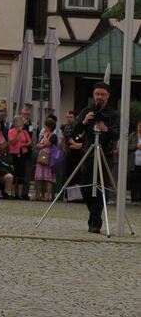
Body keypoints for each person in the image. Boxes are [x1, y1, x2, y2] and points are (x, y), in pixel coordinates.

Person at [72, 82, 120, 233]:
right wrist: (84, 121)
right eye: (97, 94)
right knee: (85, 186)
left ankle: (95, 223)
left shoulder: (114, 114)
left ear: (108, 96)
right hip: (89, 153)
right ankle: (94, 213)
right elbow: (74, 131)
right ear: (93, 95)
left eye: (102, 95)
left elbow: (117, 134)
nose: (99, 97)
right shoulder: (87, 110)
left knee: (101, 188)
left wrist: (106, 129)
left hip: (105, 154)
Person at [34, 117, 58, 202]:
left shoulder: (53, 135)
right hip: (41, 157)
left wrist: (44, 138)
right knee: (39, 177)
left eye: (45, 126)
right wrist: (43, 144)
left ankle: (48, 196)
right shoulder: (44, 135)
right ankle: (37, 195)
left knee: (49, 178)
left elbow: (48, 143)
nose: (44, 127)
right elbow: (37, 145)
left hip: (50, 158)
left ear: (49, 127)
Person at [8, 115, 32, 199]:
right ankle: (14, 192)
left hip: (23, 153)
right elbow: (13, 142)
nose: (22, 124)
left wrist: (23, 144)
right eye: (20, 122)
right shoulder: (11, 131)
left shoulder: (24, 132)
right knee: (15, 172)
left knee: (21, 172)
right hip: (14, 153)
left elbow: (29, 142)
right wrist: (17, 133)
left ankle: (20, 193)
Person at [61, 110, 84, 188]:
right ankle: (68, 195)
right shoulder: (65, 127)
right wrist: (65, 148)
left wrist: (75, 145)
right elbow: (64, 139)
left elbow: (84, 142)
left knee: (77, 174)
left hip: (79, 154)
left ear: (75, 118)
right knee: (68, 173)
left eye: (71, 117)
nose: (69, 119)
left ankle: (77, 195)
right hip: (69, 153)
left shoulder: (79, 127)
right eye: (67, 117)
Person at [128, 120, 141, 204]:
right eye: (139, 126)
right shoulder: (132, 135)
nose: (140, 128)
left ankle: (140, 199)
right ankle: (134, 199)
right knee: (134, 181)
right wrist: (136, 146)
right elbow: (127, 146)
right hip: (134, 162)